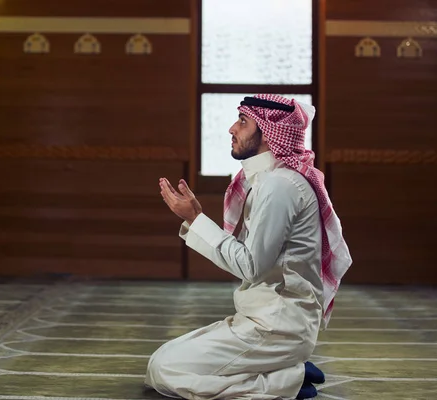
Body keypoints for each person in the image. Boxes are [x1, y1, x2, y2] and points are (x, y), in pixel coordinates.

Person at [145, 94, 352, 399]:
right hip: (262, 320)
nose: (232, 128)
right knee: (165, 355)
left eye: (243, 122)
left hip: (277, 328)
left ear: (269, 133)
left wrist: (196, 218)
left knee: (163, 370)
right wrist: (197, 219)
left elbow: (250, 266)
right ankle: (285, 369)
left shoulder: (279, 186)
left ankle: (287, 381)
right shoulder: (269, 180)